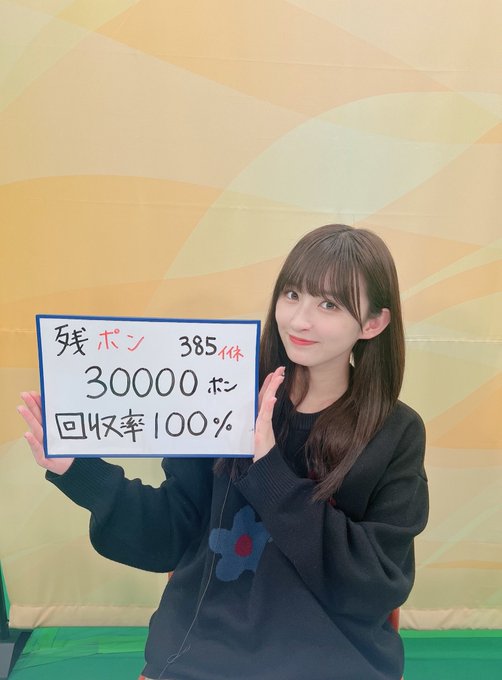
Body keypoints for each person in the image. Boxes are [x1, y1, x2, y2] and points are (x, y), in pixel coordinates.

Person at [19, 224, 428, 680]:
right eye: (292, 295)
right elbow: (171, 536)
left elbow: (375, 584)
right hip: (202, 654)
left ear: (373, 323)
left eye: (329, 305)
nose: (299, 320)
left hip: (333, 659)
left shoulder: (396, 432)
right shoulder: (222, 395)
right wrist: (80, 473)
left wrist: (269, 469)